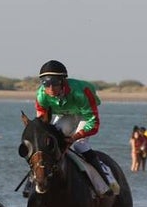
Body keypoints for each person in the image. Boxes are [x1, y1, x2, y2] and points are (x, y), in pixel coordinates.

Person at [34, 59, 118, 194]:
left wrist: (74, 137)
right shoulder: (41, 95)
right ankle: (33, 182)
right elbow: (42, 123)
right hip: (66, 114)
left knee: (80, 145)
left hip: (85, 114)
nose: (50, 88)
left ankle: (104, 183)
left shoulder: (81, 93)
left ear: (62, 81)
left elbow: (94, 123)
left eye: (54, 83)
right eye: (46, 84)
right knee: (50, 142)